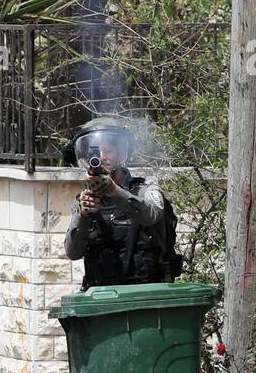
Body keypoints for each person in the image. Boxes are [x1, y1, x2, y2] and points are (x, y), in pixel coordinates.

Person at [64, 116, 174, 288]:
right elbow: (73, 252)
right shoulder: (85, 200)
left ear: (122, 154)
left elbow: (151, 215)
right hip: (103, 298)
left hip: (147, 296)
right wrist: (84, 215)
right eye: (95, 153)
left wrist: (114, 191)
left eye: (108, 151)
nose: (101, 157)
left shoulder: (146, 189)